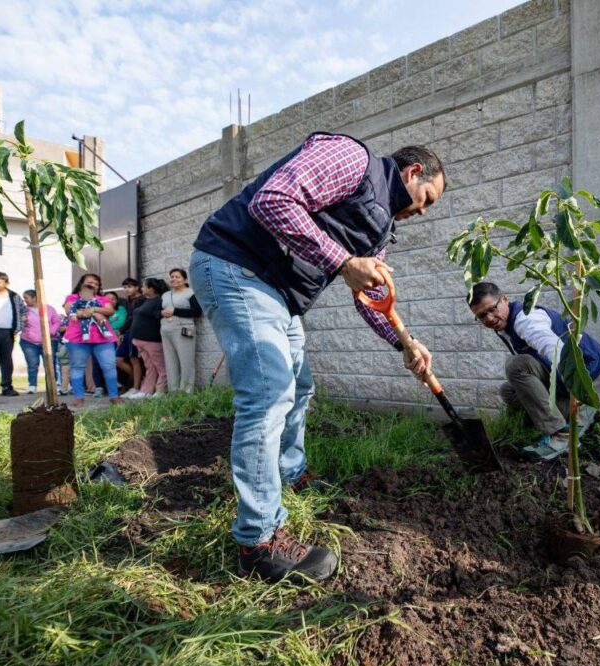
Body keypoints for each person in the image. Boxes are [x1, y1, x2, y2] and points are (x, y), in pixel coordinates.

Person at [190, 132, 445, 583]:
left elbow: (371, 296)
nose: (424, 211)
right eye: (427, 199)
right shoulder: (350, 158)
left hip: (277, 294)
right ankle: (258, 542)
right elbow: (272, 201)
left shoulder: (379, 229)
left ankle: (289, 473)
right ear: (413, 172)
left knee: (299, 387)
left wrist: (405, 342)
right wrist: (344, 262)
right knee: (268, 396)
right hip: (237, 267)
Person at [467, 281, 600, 462]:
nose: (489, 318)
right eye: (482, 316)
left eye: (492, 309)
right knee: (509, 391)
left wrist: (578, 388)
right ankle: (580, 411)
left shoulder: (526, 319)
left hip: (590, 375)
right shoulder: (504, 325)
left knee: (516, 365)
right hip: (567, 378)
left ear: (504, 299)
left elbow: (552, 347)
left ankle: (562, 434)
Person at [63, 283, 122, 406]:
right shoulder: (72, 298)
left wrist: (93, 310)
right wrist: (95, 313)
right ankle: (79, 397)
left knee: (109, 366)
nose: (91, 286)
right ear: (80, 290)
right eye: (89, 283)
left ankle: (114, 396)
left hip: (103, 338)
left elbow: (110, 310)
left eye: (95, 284)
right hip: (78, 338)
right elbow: (71, 312)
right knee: (78, 367)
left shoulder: (102, 299)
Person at [160, 267, 202, 393]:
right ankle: (173, 392)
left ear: (185, 279)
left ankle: (186, 391)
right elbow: (158, 310)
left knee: (186, 360)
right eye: (172, 277)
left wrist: (175, 311)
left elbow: (197, 312)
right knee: (170, 361)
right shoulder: (165, 295)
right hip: (166, 329)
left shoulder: (190, 293)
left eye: (177, 277)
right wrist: (161, 313)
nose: (174, 279)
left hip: (184, 328)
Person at [128, 278, 168, 399]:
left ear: (151, 288)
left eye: (144, 286)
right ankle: (146, 391)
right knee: (150, 367)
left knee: (161, 367)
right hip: (140, 341)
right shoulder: (145, 300)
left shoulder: (160, 300)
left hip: (152, 340)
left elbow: (160, 314)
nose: (142, 288)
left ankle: (161, 391)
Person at [19, 290, 61, 395]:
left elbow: (57, 321)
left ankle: (53, 386)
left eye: (26, 298)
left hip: (49, 341)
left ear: (35, 298)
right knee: (32, 364)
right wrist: (22, 320)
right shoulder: (24, 310)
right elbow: (18, 324)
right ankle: (32, 386)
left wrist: (51, 332)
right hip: (29, 342)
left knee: (50, 364)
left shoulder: (49, 309)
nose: (24, 300)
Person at [116, 278, 145, 397]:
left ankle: (136, 387)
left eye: (129, 287)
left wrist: (121, 330)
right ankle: (138, 380)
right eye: (125, 287)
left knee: (134, 359)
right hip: (128, 332)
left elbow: (133, 318)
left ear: (137, 287)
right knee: (118, 359)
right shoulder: (129, 300)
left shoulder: (142, 300)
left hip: (136, 332)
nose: (126, 289)